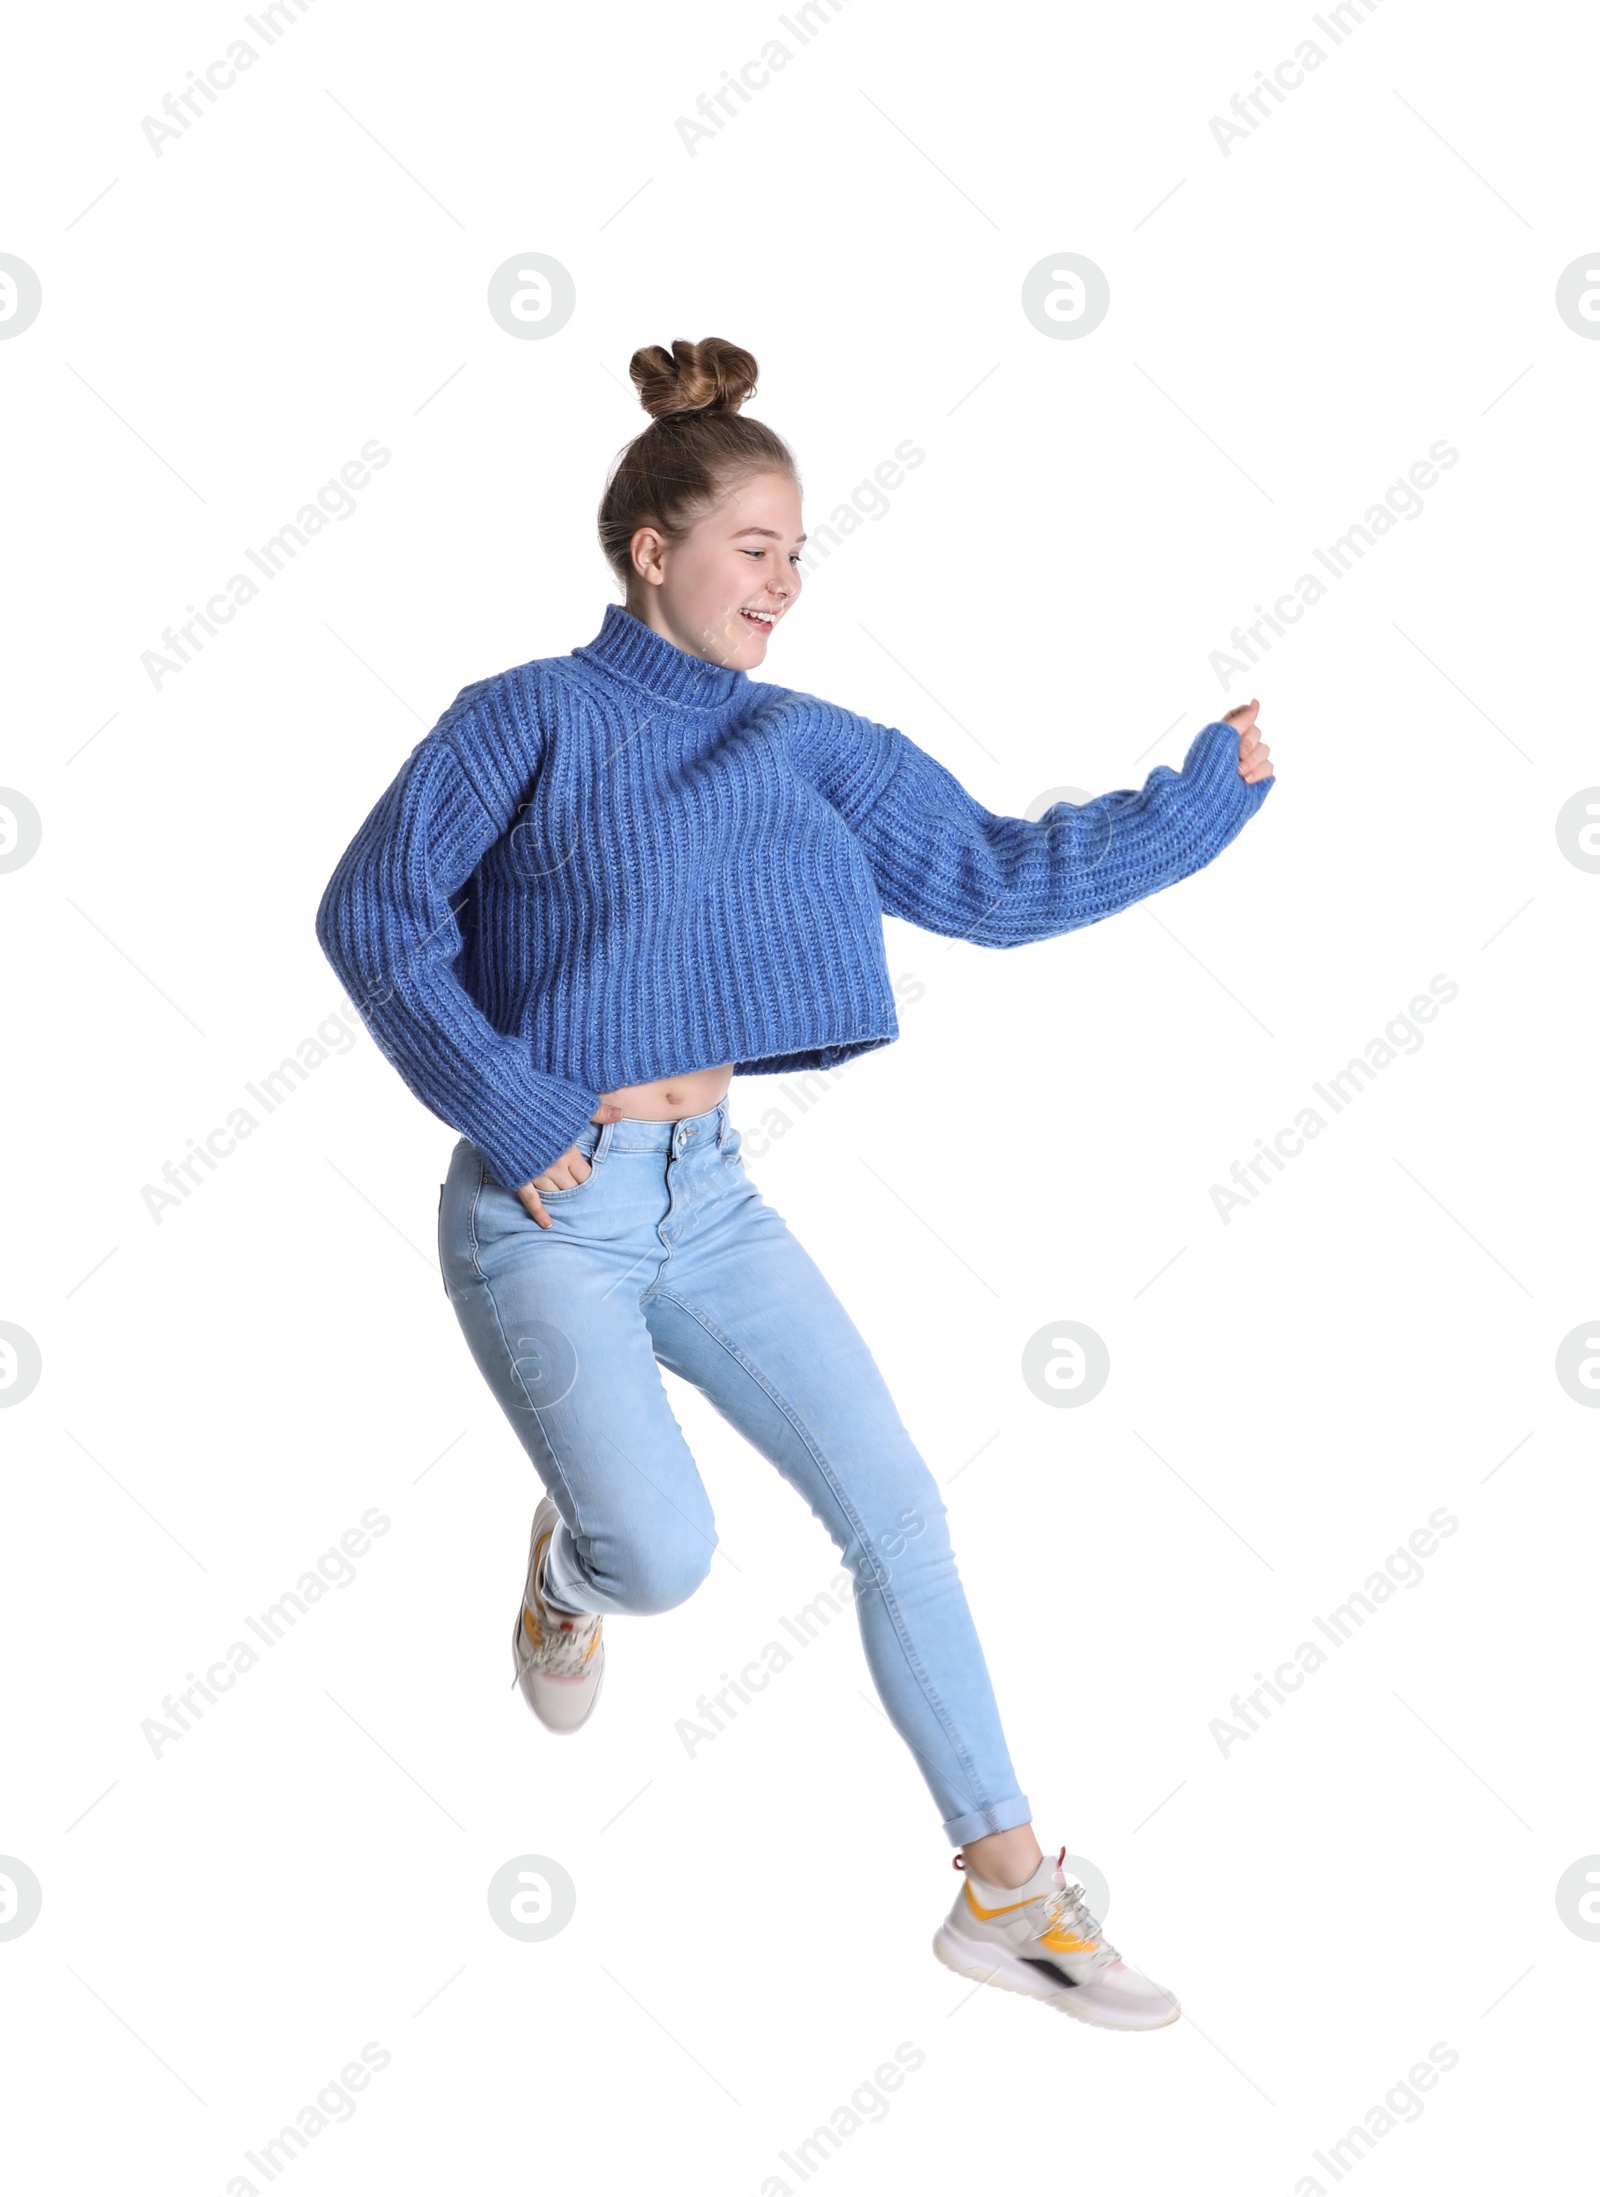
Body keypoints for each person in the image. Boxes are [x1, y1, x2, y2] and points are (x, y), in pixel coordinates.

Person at [314, 335, 1275, 2032]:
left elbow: (995, 876)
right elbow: (373, 916)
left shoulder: (805, 743)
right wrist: (513, 1105)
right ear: (651, 550)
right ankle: (573, 1572)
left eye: (799, 551)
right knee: (665, 1560)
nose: (786, 580)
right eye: (756, 545)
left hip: (714, 1200)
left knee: (900, 1506)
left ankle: (1010, 1892)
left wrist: (1209, 797)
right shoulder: (521, 717)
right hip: (549, 1209)